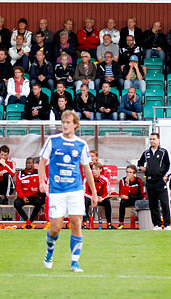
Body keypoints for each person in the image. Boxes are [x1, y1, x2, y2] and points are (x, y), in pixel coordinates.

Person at [39, 111, 97, 272]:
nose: (65, 125)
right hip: (57, 191)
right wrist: (42, 182)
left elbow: (87, 169)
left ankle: (75, 262)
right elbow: (42, 163)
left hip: (76, 190)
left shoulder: (81, 144)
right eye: (63, 122)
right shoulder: (53, 141)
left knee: (76, 223)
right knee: (56, 227)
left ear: (75, 125)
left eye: (68, 122)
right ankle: (49, 250)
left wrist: (93, 193)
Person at [137, 133, 171, 230]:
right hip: (150, 181)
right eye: (151, 139)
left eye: (154, 139)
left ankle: (167, 224)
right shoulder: (146, 153)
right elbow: (139, 163)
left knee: (164, 203)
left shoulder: (164, 152)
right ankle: (156, 224)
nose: (152, 141)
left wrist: (166, 176)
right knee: (153, 204)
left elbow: (170, 165)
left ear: (158, 140)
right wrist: (141, 168)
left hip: (161, 181)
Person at [14, 157, 45, 229]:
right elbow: (18, 188)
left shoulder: (38, 173)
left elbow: (42, 184)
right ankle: (27, 221)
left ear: (33, 164)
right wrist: (23, 197)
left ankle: (31, 221)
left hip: (34, 196)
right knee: (16, 203)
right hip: (23, 196)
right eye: (26, 163)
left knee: (39, 202)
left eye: (29, 163)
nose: (28, 164)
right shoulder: (20, 174)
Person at [82, 162, 114, 229]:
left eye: (96, 169)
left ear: (100, 170)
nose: (94, 171)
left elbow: (107, 192)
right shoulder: (87, 179)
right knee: (85, 201)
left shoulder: (104, 180)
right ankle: (84, 223)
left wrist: (101, 198)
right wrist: (92, 197)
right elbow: (84, 192)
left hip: (100, 198)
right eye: (93, 169)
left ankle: (109, 223)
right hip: (90, 197)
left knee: (107, 202)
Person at [118, 164, 144, 229]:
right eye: (127, 172)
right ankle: (121, 223)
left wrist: (129, 197)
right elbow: (122, 194)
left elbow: (140, 195)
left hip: (135, 200)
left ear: (134, 173)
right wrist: (127, 184)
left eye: (130, 172)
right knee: (122, 203)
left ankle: (140, 221)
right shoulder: (122, 180)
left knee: (140, 202)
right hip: (127, 200)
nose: (128, 174)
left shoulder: (138, 181)